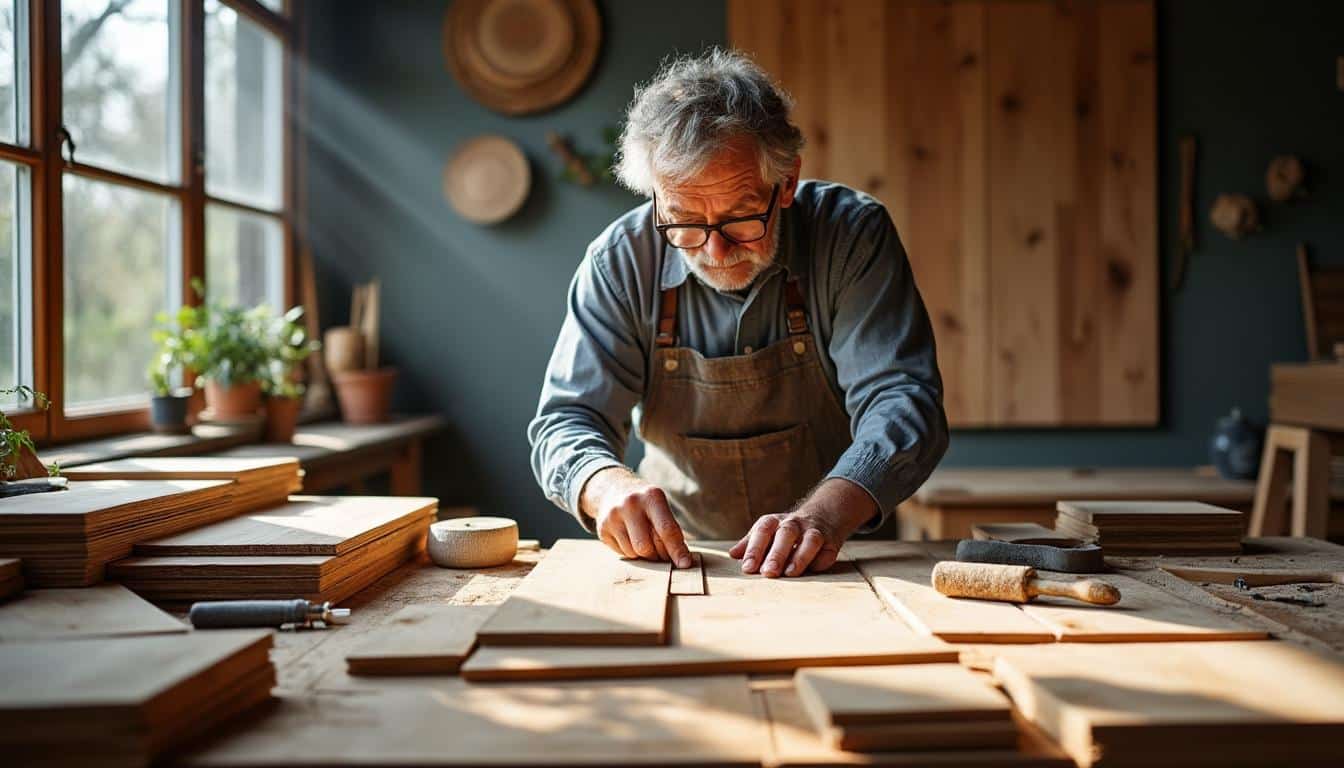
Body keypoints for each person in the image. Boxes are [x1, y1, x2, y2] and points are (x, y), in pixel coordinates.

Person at [528, 49, 948, 578]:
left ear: (787, 182)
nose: (715, 251)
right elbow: (567, 420)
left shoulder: (850, 235)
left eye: (740, 218)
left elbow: (902, 398)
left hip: (839, 554)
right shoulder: (619, 260)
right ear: (656, 195)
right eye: (683, 221)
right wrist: (605, 484)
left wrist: (823, 516)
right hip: (679, 560)